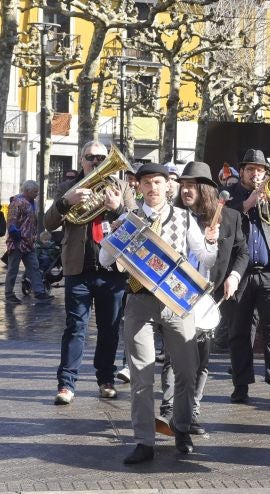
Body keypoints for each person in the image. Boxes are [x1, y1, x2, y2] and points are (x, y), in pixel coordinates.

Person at [99, 163, 218, 464]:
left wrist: (211, 240)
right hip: (139, 301)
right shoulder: (130, 219)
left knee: (187, 372)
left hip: (176, 303)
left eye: (158, 182)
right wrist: (112, 238)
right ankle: (144, 441)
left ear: (169, 186)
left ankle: (181, 428)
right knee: (141, 375)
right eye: (146, 183)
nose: (153, 188)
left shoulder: (183, 217)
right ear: (138, 187)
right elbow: (103, 260)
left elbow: (206, 257)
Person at [45, 141, 133, 405]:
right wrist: (65, 203)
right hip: (78, 268)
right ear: (81, 160)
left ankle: (105, 379)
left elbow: (135, 223)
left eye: (102, 157)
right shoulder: (67, 188)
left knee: (110, 329)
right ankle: (66, 384)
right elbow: (49, 223)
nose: (96, 161)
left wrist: (118, 208)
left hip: (112, 270)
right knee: (75, 327)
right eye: (91, 157)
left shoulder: (122, 187)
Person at [167, 161, 248, 434]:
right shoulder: (173, 215)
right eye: (184, 185)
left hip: (209, 298)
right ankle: (171, 409)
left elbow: (242, 253)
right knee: (175, 357)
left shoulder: (231, 218)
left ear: (205, 189)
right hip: (176, 295)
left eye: (192, 186)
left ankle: (192, 411)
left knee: (202, 359)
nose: (186, 190)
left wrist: (234, 277)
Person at [225, 149, 270, 403]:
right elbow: (225, 220)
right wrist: (249, 202)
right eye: (250, 170)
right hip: (240, 273)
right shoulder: (231, 195)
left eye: (259, 170)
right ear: (242, 172)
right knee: (239, 332)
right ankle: (241, 384)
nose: (255, 174)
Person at [5, 180, 54, 304]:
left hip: (29, 242)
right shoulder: (17, 202)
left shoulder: (34, 203)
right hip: (18, 242)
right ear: (26, 191)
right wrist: (17, 238)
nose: (36, 194)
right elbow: (11, 222)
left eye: (37, 192)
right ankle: (9, 293)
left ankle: (39, 292)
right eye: (34, 192)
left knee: (34, 267)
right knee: (13, 269)